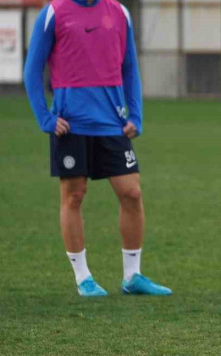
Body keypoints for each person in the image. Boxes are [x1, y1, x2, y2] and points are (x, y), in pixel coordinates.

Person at [24, 0, 171, 297]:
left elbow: (130, 67)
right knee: (74, 196)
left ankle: (132, 276)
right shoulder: (54, 12)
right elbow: (32, 69)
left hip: (112, 123)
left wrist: (136, 115)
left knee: (132, 192)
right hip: (71, 125)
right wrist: (45, 118)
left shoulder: (119, 12)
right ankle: (83, 278)